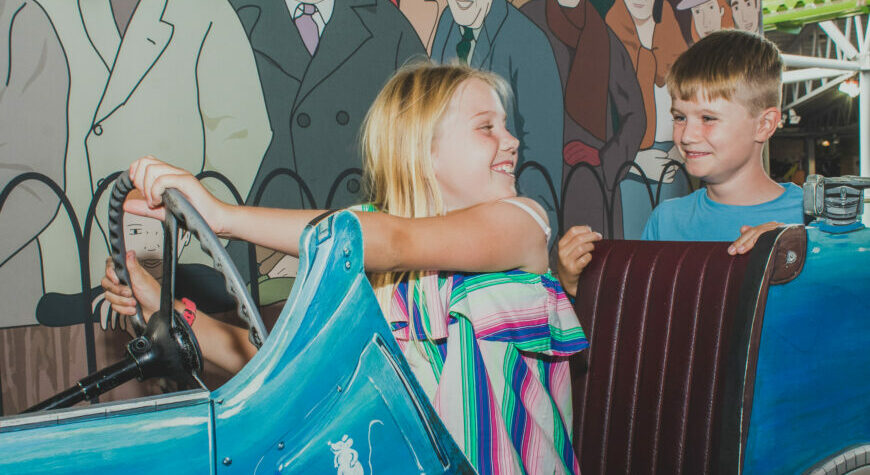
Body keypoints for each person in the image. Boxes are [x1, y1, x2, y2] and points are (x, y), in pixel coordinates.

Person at [102, 62, 589, 474]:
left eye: (508, 126)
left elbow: (391, 239)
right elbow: (282, 366)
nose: (512, 141)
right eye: (488, 127)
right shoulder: (374, 253)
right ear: (424, 151)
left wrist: (224, 217)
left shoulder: (523, 221)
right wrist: (161, 307)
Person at [557, 30, 806, 295]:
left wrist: (802, 250)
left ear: (764, 125)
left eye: (708, 118)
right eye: (679, 117)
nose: (686, 136)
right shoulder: (666, 220)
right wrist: (576, 287)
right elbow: (644, 316)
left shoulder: (811, 218)